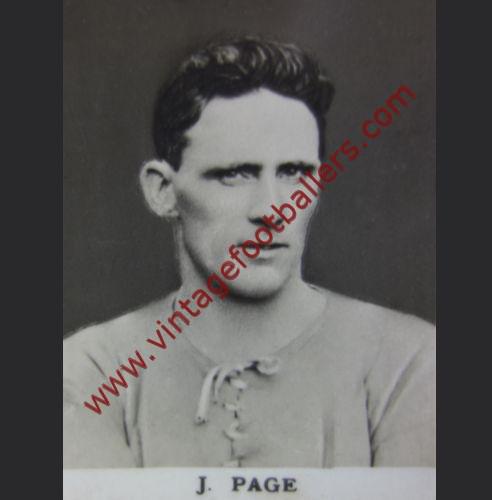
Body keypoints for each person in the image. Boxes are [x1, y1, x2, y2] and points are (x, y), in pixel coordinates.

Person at [63, 36, 435, 468]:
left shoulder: (411, 361)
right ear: (162, 190)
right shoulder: (91, 369)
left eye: (294, 172)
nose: (272, 210)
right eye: (235, 174)